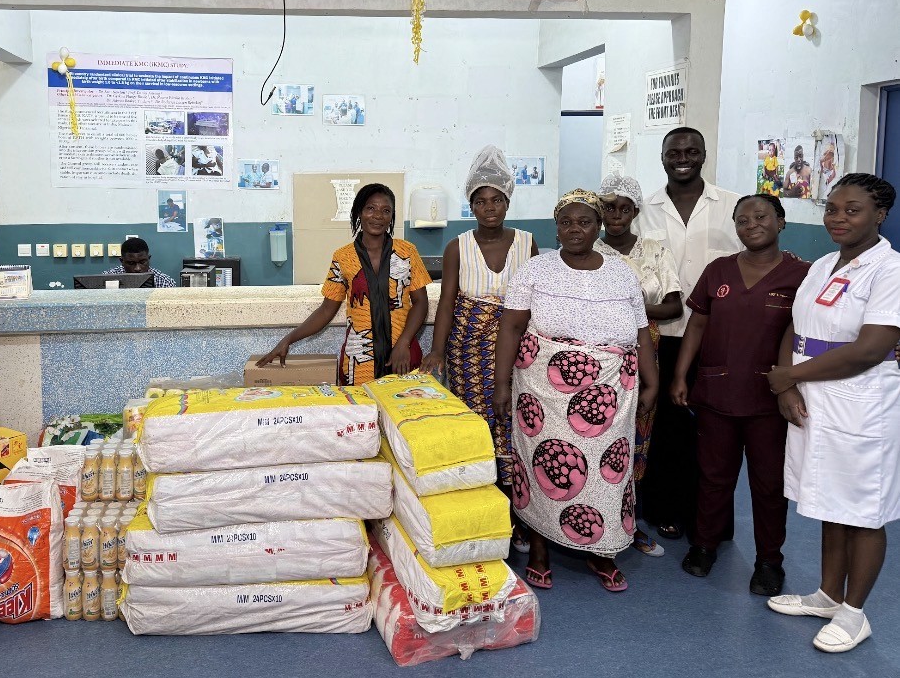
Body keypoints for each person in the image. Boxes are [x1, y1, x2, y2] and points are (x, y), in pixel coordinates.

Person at [494, 189, 658, 592]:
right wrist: (501, 383)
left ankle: (600, 551)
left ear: (598, 225)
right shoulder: (536, 269)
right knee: (542, 466)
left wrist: (652, 380)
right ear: (556, 227)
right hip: (542, 392)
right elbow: (512, 327)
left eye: (584, 221)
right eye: (566, 222)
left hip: (610, 394)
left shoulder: (621, 273)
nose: (575, 229)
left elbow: (640, 334)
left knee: (608, 473)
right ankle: (539, 548)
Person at [766, 173, 900, 653]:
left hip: (861, 400)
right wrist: (786, 377)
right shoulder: (822, 264)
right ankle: (827, 595)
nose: (837, 218)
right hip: (815, 396)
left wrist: (791, 378)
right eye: (832, 209)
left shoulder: (890, 270)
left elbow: (871, 349)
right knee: (829, 501)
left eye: (852, 210)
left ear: (880, 214)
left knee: (864, 509)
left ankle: (854, 612)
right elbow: (796, 327)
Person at [670, 194, 809, 595]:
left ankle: (769, 560)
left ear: (781, 222)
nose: (751, 225)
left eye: (761, 216)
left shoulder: (803, 274)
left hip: (771, 398)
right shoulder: (719, 270)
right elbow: (697, 324)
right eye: (742, 220)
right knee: (714, 476)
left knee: (768, 484)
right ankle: (704, 545)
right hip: (716, 392)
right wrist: (681, 374)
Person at [637, 127, 742, 541]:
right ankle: (664, 508)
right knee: (664, 428)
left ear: (703, 155)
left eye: (691, 151)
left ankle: (711, 518)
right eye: (674, 152)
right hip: (659, 336)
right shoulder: (644, 209)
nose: (683, 158)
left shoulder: (732, 207)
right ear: (663, 157)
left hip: (716, 338)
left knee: (716, 431)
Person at [420, 146, 537, 499]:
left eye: (497, 200)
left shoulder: (528, 243)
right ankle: (480, 495)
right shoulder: (458, 247)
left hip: (516, 345)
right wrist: (437, 351)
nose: (490, 208)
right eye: (481, 201)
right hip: (467, 349)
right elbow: (446, 304)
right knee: (475, 419)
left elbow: (536, 302)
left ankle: (515, 503)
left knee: (514, 416)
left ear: (507, 203)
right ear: (471, 207)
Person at [258, 183, 430, 385]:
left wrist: (404, 342)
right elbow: (325, 311)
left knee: (406, 411)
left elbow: (421, 302)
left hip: (403, 356)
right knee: (362, 414)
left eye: (386, 210)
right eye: (370, 208)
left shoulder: (407, 252)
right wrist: (288, 339)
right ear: (359, 212)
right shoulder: (343, 257)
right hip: (359, 363)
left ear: (392, 216)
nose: (378, 215)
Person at [594, 174, 684, 557]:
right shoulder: (588, 248)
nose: (616, 215)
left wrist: (630, 306)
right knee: (599, 434)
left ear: (635, 211)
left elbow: (674, 306)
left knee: (638, 435)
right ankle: (598, 517)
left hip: (645, 350)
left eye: (624, 208)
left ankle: (628, 522)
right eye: (608, 207)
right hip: (600, 357)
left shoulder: (654, 250)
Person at [103, 238, 177, 287]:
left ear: (149, 258)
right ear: (122, 261)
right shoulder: (107, 279)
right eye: (131, 263)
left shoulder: (165, 283)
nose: (137, 269)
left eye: (142, 262)